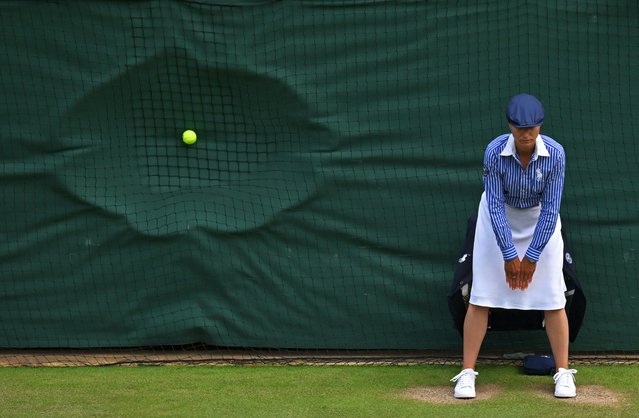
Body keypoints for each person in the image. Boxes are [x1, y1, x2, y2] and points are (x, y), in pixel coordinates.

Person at [451, 94, 577, 399]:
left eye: (532, 127)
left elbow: (551, 208)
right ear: (510, 125)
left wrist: (531, 257)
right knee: (481, 295)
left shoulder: (556, 154)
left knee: (553, 296)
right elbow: (494, 204)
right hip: (497, 220)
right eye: (520, 127)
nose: (526, 134)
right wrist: (509, 255)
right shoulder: (494, 151)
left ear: (540, 126)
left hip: (539, 220)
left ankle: (563, 373)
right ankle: (467, 373)